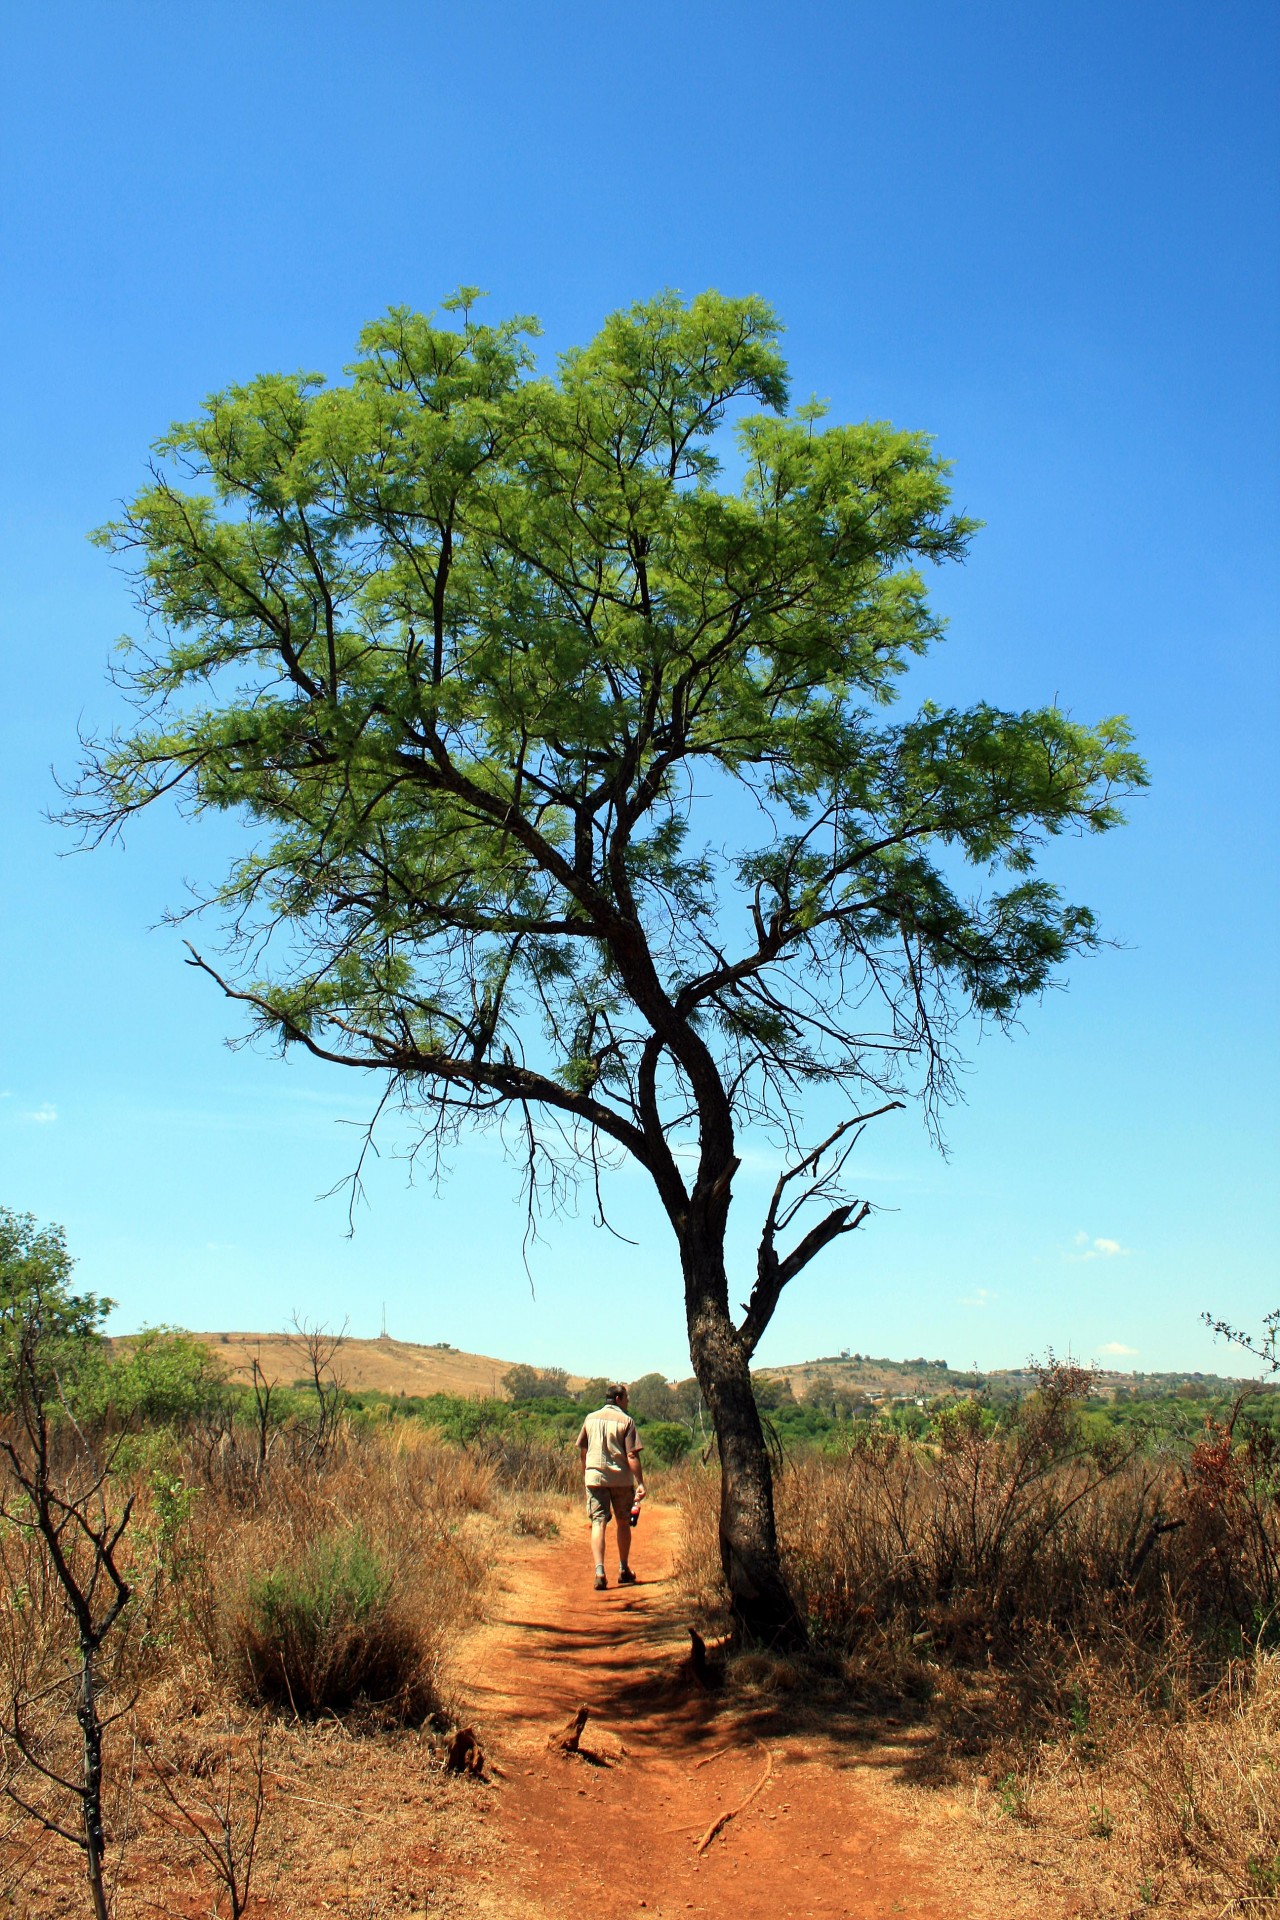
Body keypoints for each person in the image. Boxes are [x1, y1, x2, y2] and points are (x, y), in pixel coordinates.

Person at [576, 1383, 646, 1590]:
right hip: (621, 1480)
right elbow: (631, 1454)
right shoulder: (627, 1421)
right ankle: (623, 1569)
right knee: (623, 1522)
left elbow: (583, 1451)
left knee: (598, 1523)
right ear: (618, 1399)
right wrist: (640, 1482)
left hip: (595, 1478)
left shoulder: (590, 1418)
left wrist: (587, 1473)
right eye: (626, 1398)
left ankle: (599, 1572)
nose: (628, 1402)